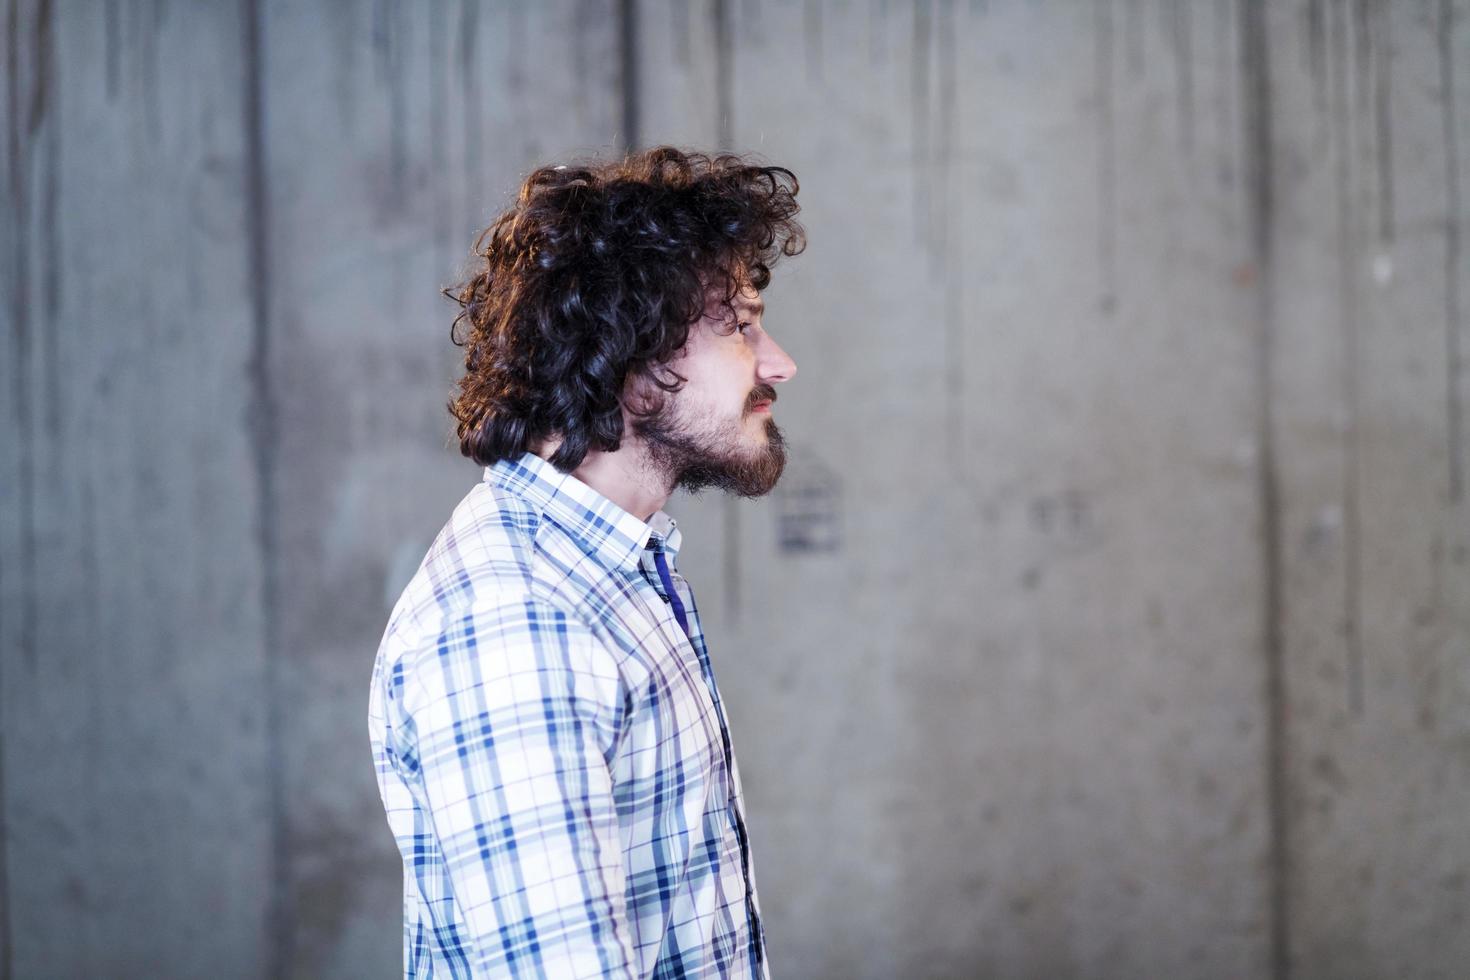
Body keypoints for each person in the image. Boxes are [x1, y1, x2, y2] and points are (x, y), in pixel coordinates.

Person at [368, 146, 805, 978]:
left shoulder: (611, 568)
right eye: (740, 326)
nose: (778, 362)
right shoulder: (519, 621)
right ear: (635, 362)